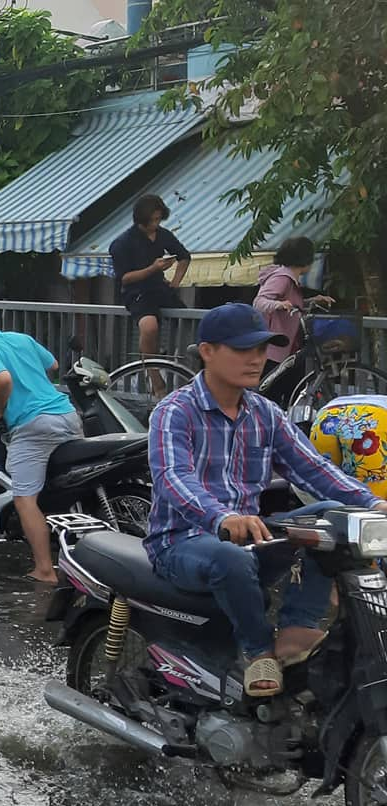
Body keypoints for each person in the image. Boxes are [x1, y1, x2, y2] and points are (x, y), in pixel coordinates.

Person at [147, 303, 387, 697]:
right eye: (243, 350)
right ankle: (258, 651)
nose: (256, 359)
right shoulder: (175, 412)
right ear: (207, 351)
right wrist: (221, 517)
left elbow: (313, 468)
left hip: (250, 537)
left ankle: (297, 627)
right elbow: (174, 477)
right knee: (231, 556)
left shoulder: (265, 413)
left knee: (334, 517)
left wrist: (370, 503)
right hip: (181, 543)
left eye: (261, 349)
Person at [0, 301, 80, 583]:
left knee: (24, 499)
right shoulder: (20, 338)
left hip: (33, 427)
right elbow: (53, 364)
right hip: (67, 416)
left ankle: (45, 570)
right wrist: (33, 385)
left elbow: (3, 380)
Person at [109, 194, 190, 369]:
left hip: (159, 288)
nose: (155, 224)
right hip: (136, 292)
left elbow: (184, 257)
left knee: (188, 321)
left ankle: (183, 364)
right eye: (152, 220)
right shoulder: (123, 243)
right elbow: (124, 278)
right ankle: (153, 377)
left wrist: (176, 281)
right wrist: (152, 269)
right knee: (149, 326)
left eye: (158, 219)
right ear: (141, 219)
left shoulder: (163, 235)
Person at [253, 236, 334, 364]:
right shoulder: (283, 278)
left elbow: (293, 304)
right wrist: (278, 305)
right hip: (273, 347)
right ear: (306, 258)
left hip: (285, 345)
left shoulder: (290, 279)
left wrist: (313, 300)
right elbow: (259, 301)